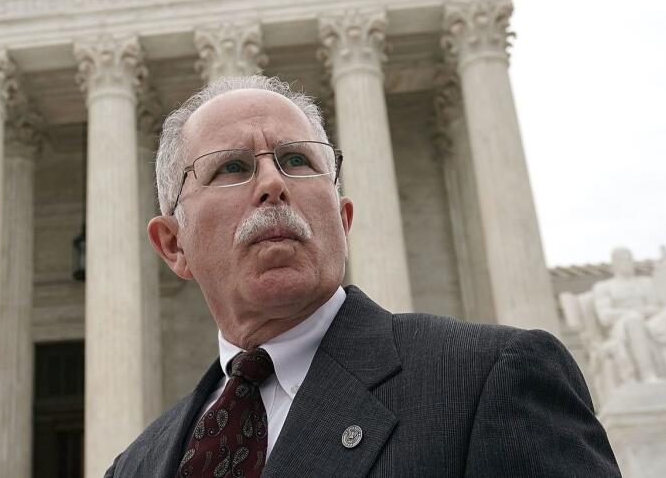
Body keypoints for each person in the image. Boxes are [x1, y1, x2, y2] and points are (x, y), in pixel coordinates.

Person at [105, 75, 619, 477]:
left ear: (343, 221)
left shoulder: (489, 379)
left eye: (296, 160)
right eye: (233, 167)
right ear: (174, 245)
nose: (272, 184)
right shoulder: (138, 465)